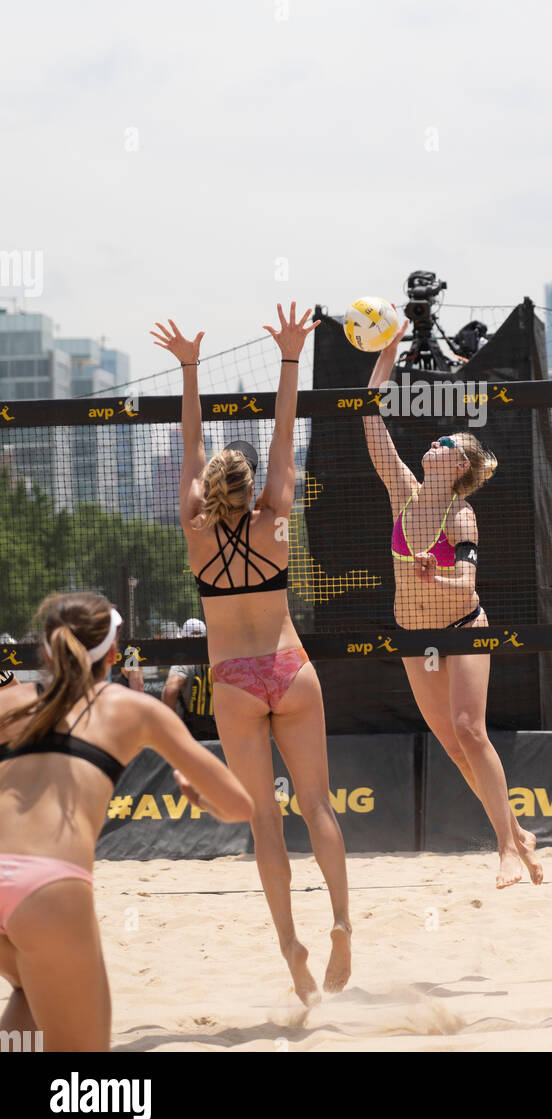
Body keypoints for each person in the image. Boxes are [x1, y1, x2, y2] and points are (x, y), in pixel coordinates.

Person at [151, 306, 352, 1001]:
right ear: (252, 491)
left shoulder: (195, 531)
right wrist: (291, 357)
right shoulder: (274, 521)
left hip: (234, 679)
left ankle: (289, 944)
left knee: (265, 820)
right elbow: (286, 436)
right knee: (317, 807)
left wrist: (188, 366)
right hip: (290, 666)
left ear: (210, 491)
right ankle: (343, 925)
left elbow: (190, 441)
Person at [0, 591, 252, 1052]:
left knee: (25, 991)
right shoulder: (128, 707)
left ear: (47, 652)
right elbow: (241, 806)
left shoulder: (9, 700)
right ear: (114, 654)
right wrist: (200, 798)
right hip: (47, 887)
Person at [363, 321, 542, 890]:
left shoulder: (460, 516)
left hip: (462, 627)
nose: (434, 443)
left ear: (459, 466)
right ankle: (517, 832)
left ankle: (504, 850)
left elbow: (465, 589)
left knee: (471, 730)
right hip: (414, 635)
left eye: (446, 445)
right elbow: (371, 418)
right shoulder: (403, 492)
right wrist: (387, 352)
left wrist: (431, 574)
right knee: (450, 741)